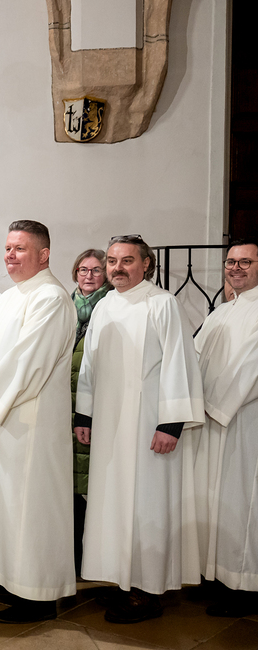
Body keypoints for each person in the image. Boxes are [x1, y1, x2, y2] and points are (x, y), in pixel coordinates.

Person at [76, 234, 204, 623]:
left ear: (146, 264)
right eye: (113, 261)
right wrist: (85, 415)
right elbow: (90, 364)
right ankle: (122, 578)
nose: (117, 268)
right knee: (111, 502)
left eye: (127, 260)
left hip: (150, 424)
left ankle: (148, 590)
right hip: (110, 425)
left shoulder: (162, 304)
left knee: (148, 503)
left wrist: (171, 423)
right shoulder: (104, 306)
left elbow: (180, 362)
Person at [0, 220, 77, 623]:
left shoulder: (51, 297)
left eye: (20, 249)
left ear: (44, 255)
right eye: (8, 248)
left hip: (30, 424)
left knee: (31, 508)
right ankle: (8, 578)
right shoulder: (11, 296)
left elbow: (30, 361)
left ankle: (38, 594)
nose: (10, 255)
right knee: (3, 505)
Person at [194, 239, 258, 617]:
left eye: (245, 262)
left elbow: (251, 370)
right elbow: (195, 356)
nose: (235, 268)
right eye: (231, 262)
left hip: (244, 420)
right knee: (216, 501)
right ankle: (218, 576)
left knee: (243, 503)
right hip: (214, 419)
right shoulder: (221, 312)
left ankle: (247, 586)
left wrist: (215, 406)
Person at [68, 249, 110, 573]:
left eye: (96, 270)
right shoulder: (66, 307)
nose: (89, 276)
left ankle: (88, 556)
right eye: (83, 269)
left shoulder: (109, 308)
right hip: (62, 407)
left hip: (90, 408)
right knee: (67, 482)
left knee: (89, 484)